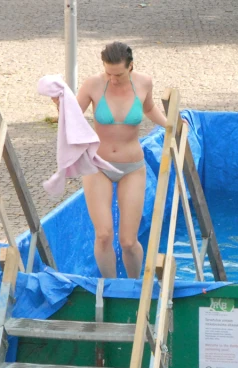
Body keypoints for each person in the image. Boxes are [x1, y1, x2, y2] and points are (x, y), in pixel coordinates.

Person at [73, 41, 170, 279]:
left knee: (128, 241)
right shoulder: (93, 84)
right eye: (108, 72)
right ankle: (110, 287)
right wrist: (60, 106)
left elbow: (148, 109)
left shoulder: (144, 82)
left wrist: (170, 125)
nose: (113, 78)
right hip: (98, 165)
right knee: (104, 234)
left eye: (118, 74)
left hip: (132, 167)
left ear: (130, 67)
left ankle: (135, 287)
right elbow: (71, 118)